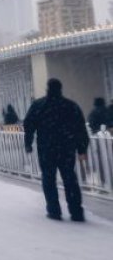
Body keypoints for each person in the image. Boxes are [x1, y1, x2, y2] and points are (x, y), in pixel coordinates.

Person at [23, 78, 88, 222]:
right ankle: (76, 211)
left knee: (48, 178)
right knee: (70, 178)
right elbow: (80, 129)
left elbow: (28, 125)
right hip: (67, 148)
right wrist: (82, 148)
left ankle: (54, 210)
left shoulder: (39, 105)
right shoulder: (71, 106)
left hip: (46, 148)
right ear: (60, 88)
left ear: (48, 88)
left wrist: (28, 143)